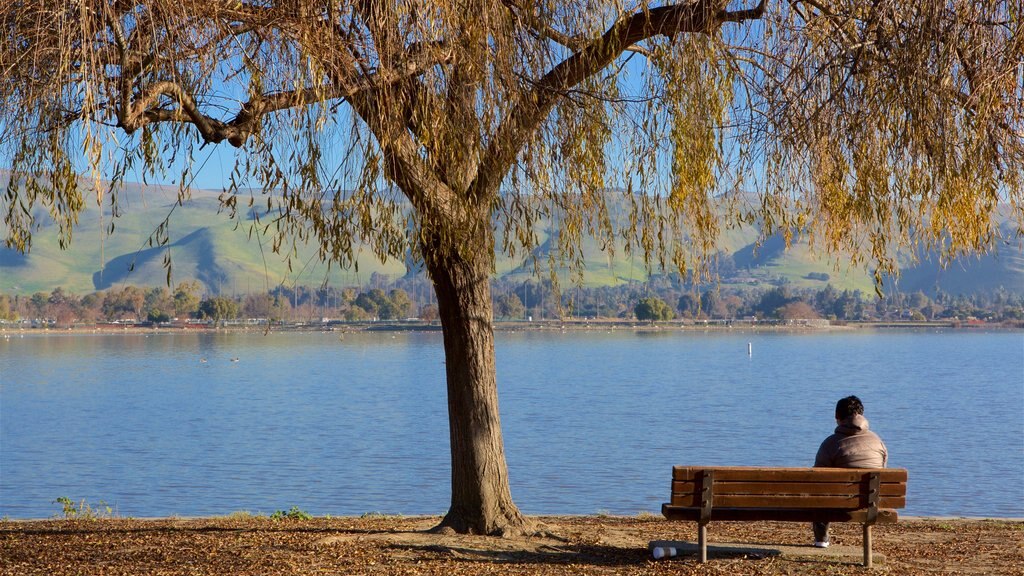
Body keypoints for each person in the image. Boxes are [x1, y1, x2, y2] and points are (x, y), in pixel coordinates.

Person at [812, 395, 888, 548]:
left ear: (837, 417)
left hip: (837, 502)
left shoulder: (830, 443)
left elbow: (818, 479)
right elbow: (883, 470)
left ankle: (821, 540)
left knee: (818, 493)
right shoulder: (877, 441)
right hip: (870, 502)